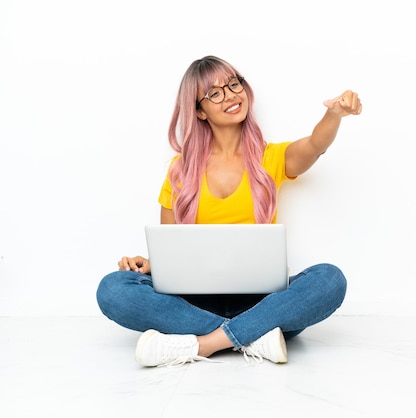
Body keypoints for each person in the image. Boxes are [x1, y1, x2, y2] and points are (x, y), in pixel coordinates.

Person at [96, 55, 362, 367]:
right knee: (113, 289)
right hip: (195, 302)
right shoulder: (178, 171)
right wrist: (150, 264)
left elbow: (315, 145)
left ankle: (204, 344)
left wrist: (334, 115)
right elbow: (171, 254)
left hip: (262, 300)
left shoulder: (271, 157)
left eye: (233, 84)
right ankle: (253, 337)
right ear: (199, 110)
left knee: (330, 279)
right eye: (215, 93)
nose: (231, 95)